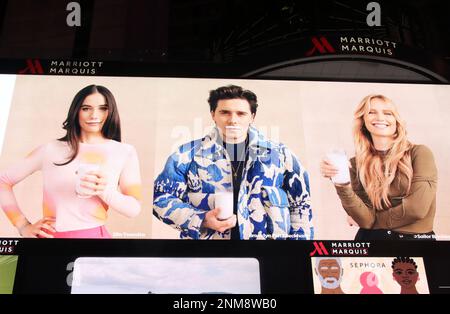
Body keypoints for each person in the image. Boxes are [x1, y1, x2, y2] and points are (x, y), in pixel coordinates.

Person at [153, 85, 313, 240]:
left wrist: (296, 252)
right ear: (213, 114)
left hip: (267, 254)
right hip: (206, 257)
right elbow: (159, 197)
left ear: (252, 116)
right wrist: (202, 219)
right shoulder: (186, 154)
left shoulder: (280, 154)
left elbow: (301, 205)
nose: (232, 120)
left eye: (241, 113)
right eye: (225, 112)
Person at [0, 85, 142, 238]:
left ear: (111, 111)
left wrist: (104, 191)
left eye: (103, 108)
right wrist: (23, 226)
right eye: (86, 108)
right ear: (76, 111)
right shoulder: (51, 149)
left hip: (95, 240)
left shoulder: (124, 152)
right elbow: (3, 180)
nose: (94, 115)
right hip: (50, 239)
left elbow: (133, 209)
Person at [320, 94, 437, 240]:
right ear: (363, 121)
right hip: (370, 241)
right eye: (371, 112)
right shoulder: (356, 163)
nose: (380, 118)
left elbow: (417, 209)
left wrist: (373, 221)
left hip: (414, 241)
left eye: (388, 113)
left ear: (396, 121)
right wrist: (341, 183)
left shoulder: (419, 153)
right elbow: (363, 219)